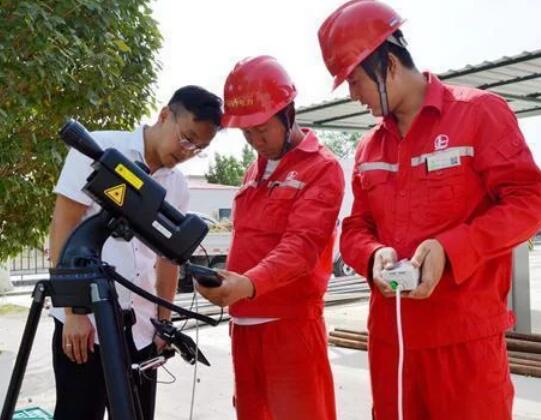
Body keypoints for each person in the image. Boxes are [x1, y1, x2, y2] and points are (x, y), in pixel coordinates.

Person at [318, 1, 541, 419]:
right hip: (392, 344)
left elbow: (530, 202)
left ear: (386, 63)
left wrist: (452, 248)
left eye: (354, 81)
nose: (352, 95)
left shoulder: (478, 115)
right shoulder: (370, 148)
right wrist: (373, 255)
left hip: (465, 347)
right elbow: (354, 229)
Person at [49, 85, 223, 420]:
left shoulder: (178, 186)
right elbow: (63, 228)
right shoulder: (101, 148)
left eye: (199, 147)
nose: (188, 151)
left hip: (141, 328)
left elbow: (168, 259)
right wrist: (73, 312)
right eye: (186, 138)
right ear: (164, 115)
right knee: (77, 412)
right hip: (86, 325)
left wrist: (163, 322)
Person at [196, 56, 344, 420]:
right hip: (244, 329)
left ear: (288, 112)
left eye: (262, 129)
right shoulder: (253, 171)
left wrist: (247, 284)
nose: (255, 141)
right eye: (246, 134)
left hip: (290, 330)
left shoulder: (321, 168)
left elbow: (301, 248)